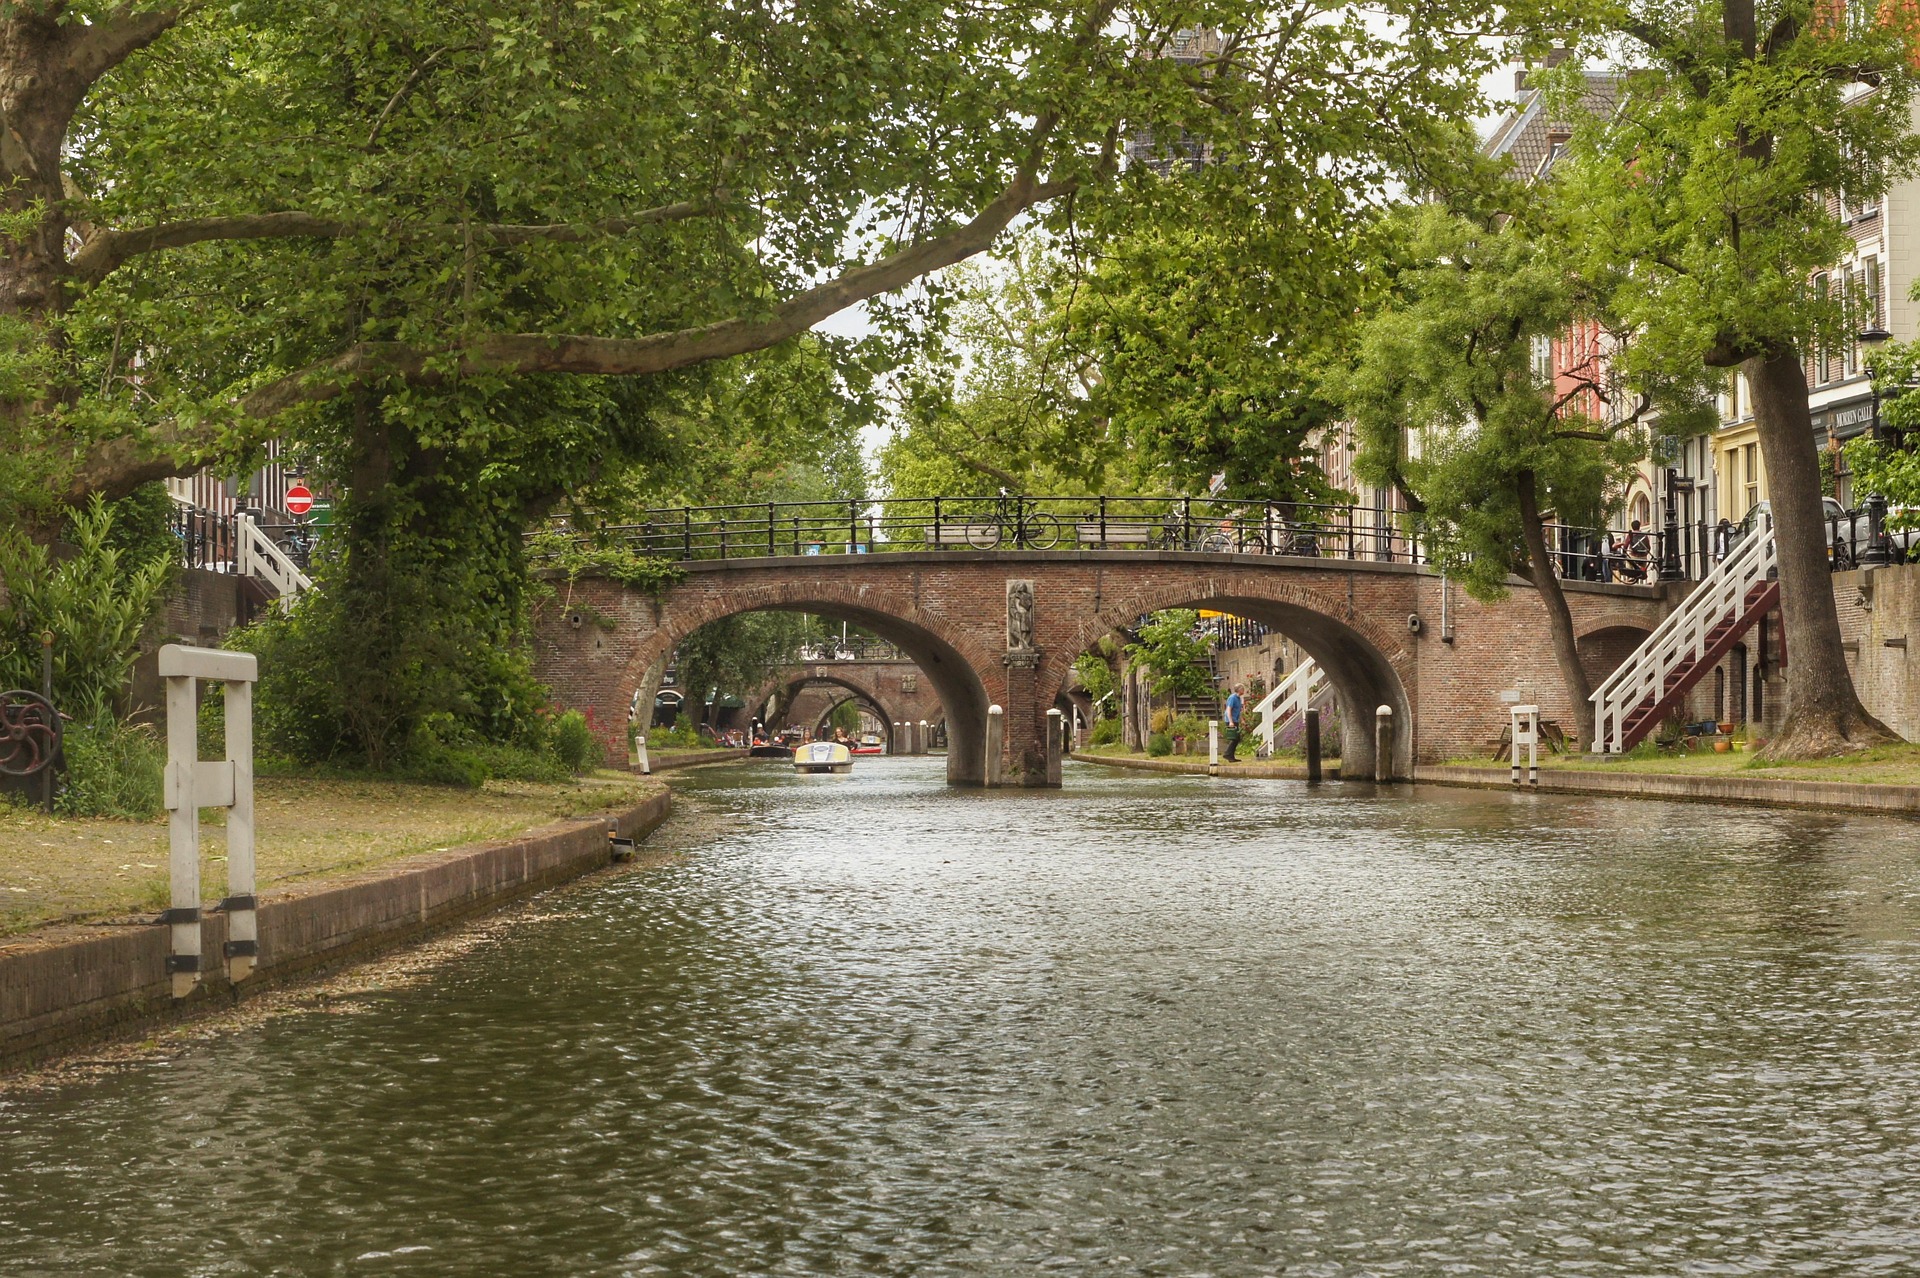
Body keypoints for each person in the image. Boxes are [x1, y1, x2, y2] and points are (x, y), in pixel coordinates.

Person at [1223, 684, 1245, 762]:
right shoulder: (1232, 698)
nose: (1244, 690)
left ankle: (1230, 756)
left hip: (1235, 719)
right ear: (1239, 690)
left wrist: (1241, 719)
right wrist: (1231, 721)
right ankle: (1227, 754)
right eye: (1242, 689)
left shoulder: (1239, 698)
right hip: (1231, 720)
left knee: (1236, 738)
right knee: (1235, 738)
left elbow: (1239, 710)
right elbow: (1228, 709)